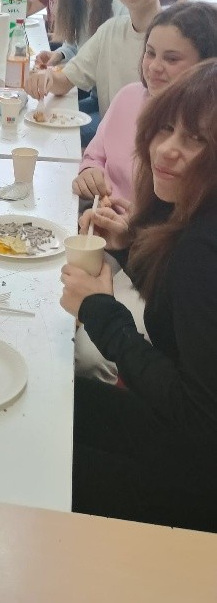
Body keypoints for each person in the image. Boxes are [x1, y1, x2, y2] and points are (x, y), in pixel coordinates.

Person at [62, 60, 217, 532]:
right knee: (54, 401)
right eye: (166, 128)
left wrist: (100, 313)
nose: (167, 150)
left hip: (198, 477)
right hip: (186, 437)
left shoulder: (202, 248)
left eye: (196, 139)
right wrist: (130, 249)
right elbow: (183, 314)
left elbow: (198, 417)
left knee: (42, 456)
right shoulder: (194, 220)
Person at [73, 1, 217, 202]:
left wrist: (129, 219)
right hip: (99, 209)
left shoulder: (206, 124)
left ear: (206, 65)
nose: (154, 67)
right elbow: (94, 155)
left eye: (172, 59)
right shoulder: (128, 96)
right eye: (150, 53)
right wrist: (90, 171)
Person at [27, 0, 172, 120]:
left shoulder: (172, 37)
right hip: (107, 114)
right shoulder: (110, 29)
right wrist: (45, 76)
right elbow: (67, 78)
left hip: (144, 129)